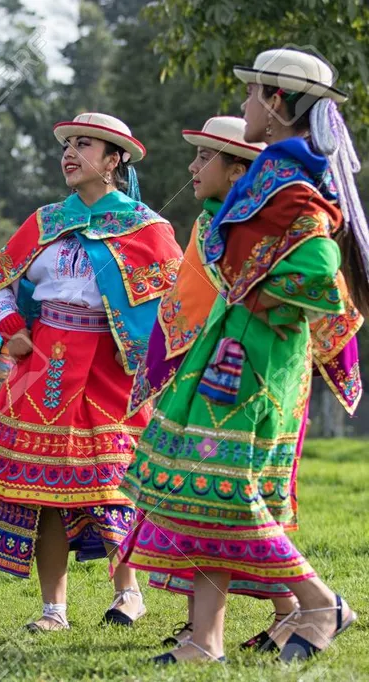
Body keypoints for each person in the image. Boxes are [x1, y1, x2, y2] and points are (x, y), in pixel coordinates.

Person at [117, 48, 365, 664]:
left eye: (253, 96)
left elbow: (317, 273)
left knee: (220, 488)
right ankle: (204, 640)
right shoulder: (278, 174)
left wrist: (254, 293)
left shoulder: (295, 185)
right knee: (204, 489)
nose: (246, 107)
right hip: (237, 347)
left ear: (277, 105)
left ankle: (317, 600)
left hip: (255, 357)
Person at [0, 114, 183, 630]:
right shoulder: (44, 223)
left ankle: (128, 593)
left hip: (109, 369)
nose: (70, 152)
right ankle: (53, 610)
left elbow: (174, 308)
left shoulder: (147, 228)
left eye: (85, 145)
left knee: (110, 483)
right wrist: (11, 324)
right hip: (41, 370)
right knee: (46, 493)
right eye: (66, 144)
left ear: (113, 161)